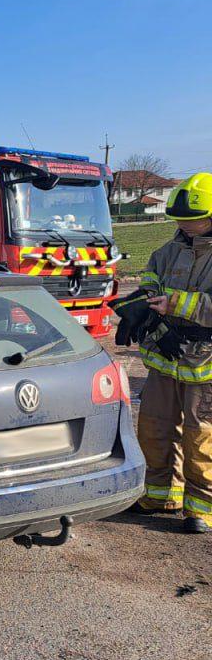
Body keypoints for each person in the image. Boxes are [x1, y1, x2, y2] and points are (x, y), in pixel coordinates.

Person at [132, 172, 212, 533]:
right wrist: (139, 305)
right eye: (179, 218)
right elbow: (150, 278)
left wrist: (176, 303)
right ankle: (160, 493)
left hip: (205, 360)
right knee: (155, 427)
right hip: (165, 354)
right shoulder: (168, 250)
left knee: (201, 437)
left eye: (191, 218)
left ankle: (202, 509)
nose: (183, 223)